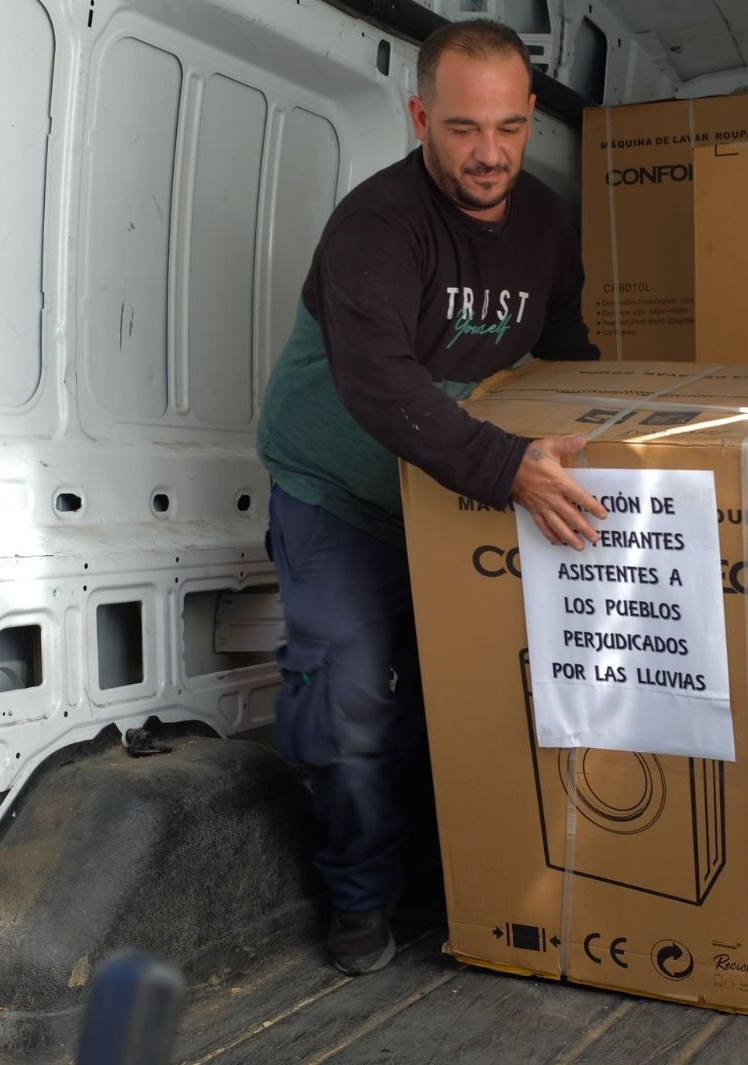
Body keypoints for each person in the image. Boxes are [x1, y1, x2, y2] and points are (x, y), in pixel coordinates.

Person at [255, 18, 606, 976]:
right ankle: (360, 897)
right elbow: (379, 383)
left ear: (530, 119)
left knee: (462, 693)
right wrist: (508, 470)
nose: (489, 153)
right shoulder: (376, 226)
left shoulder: (544, 224)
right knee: (349, 697)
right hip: (343, 488)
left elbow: (566, 356)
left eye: (509, 127)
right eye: (462, 129)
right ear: (420, 118)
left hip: (452, 488)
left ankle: (440, 881)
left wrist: (612, 452)